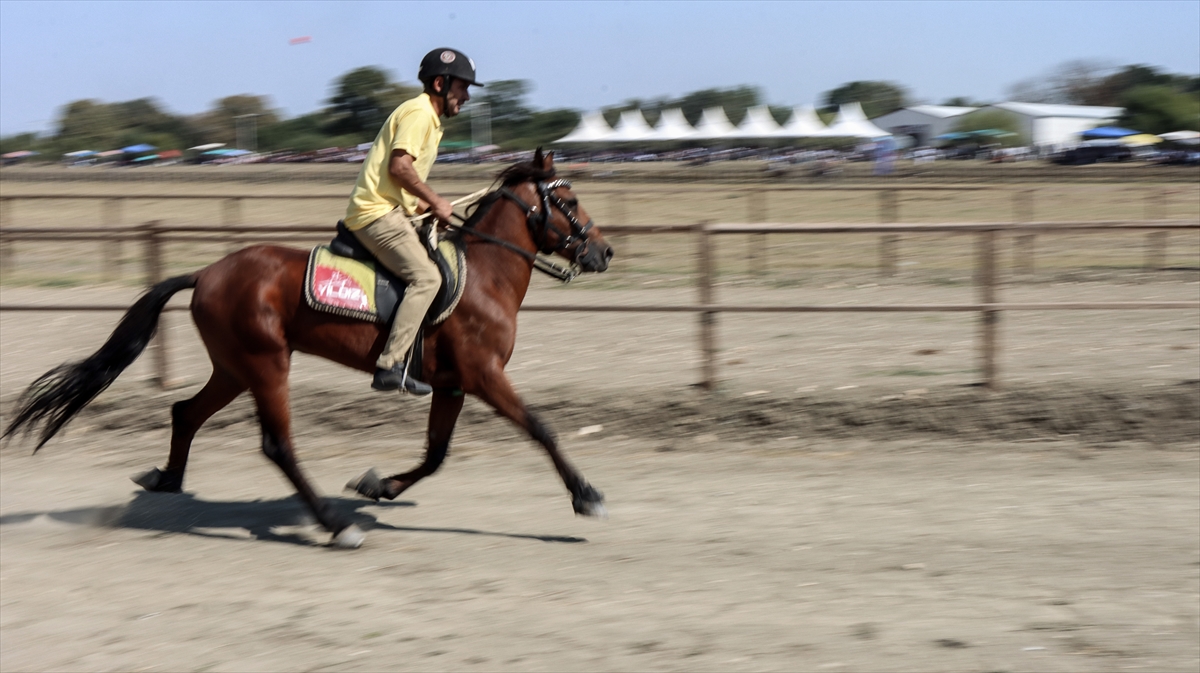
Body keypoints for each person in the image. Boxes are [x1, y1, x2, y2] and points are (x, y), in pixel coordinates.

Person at [342, 48, 483, 394]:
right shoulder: (419, 114)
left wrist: (427, 208)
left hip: (391, 210)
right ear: (440, 83)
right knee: (427, 279)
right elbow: (399, 167)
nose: (466, 96)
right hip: (375, 214)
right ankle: (390, 365)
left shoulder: (429, 121)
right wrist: (435, 200)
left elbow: (402, 183)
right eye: (462, 87)